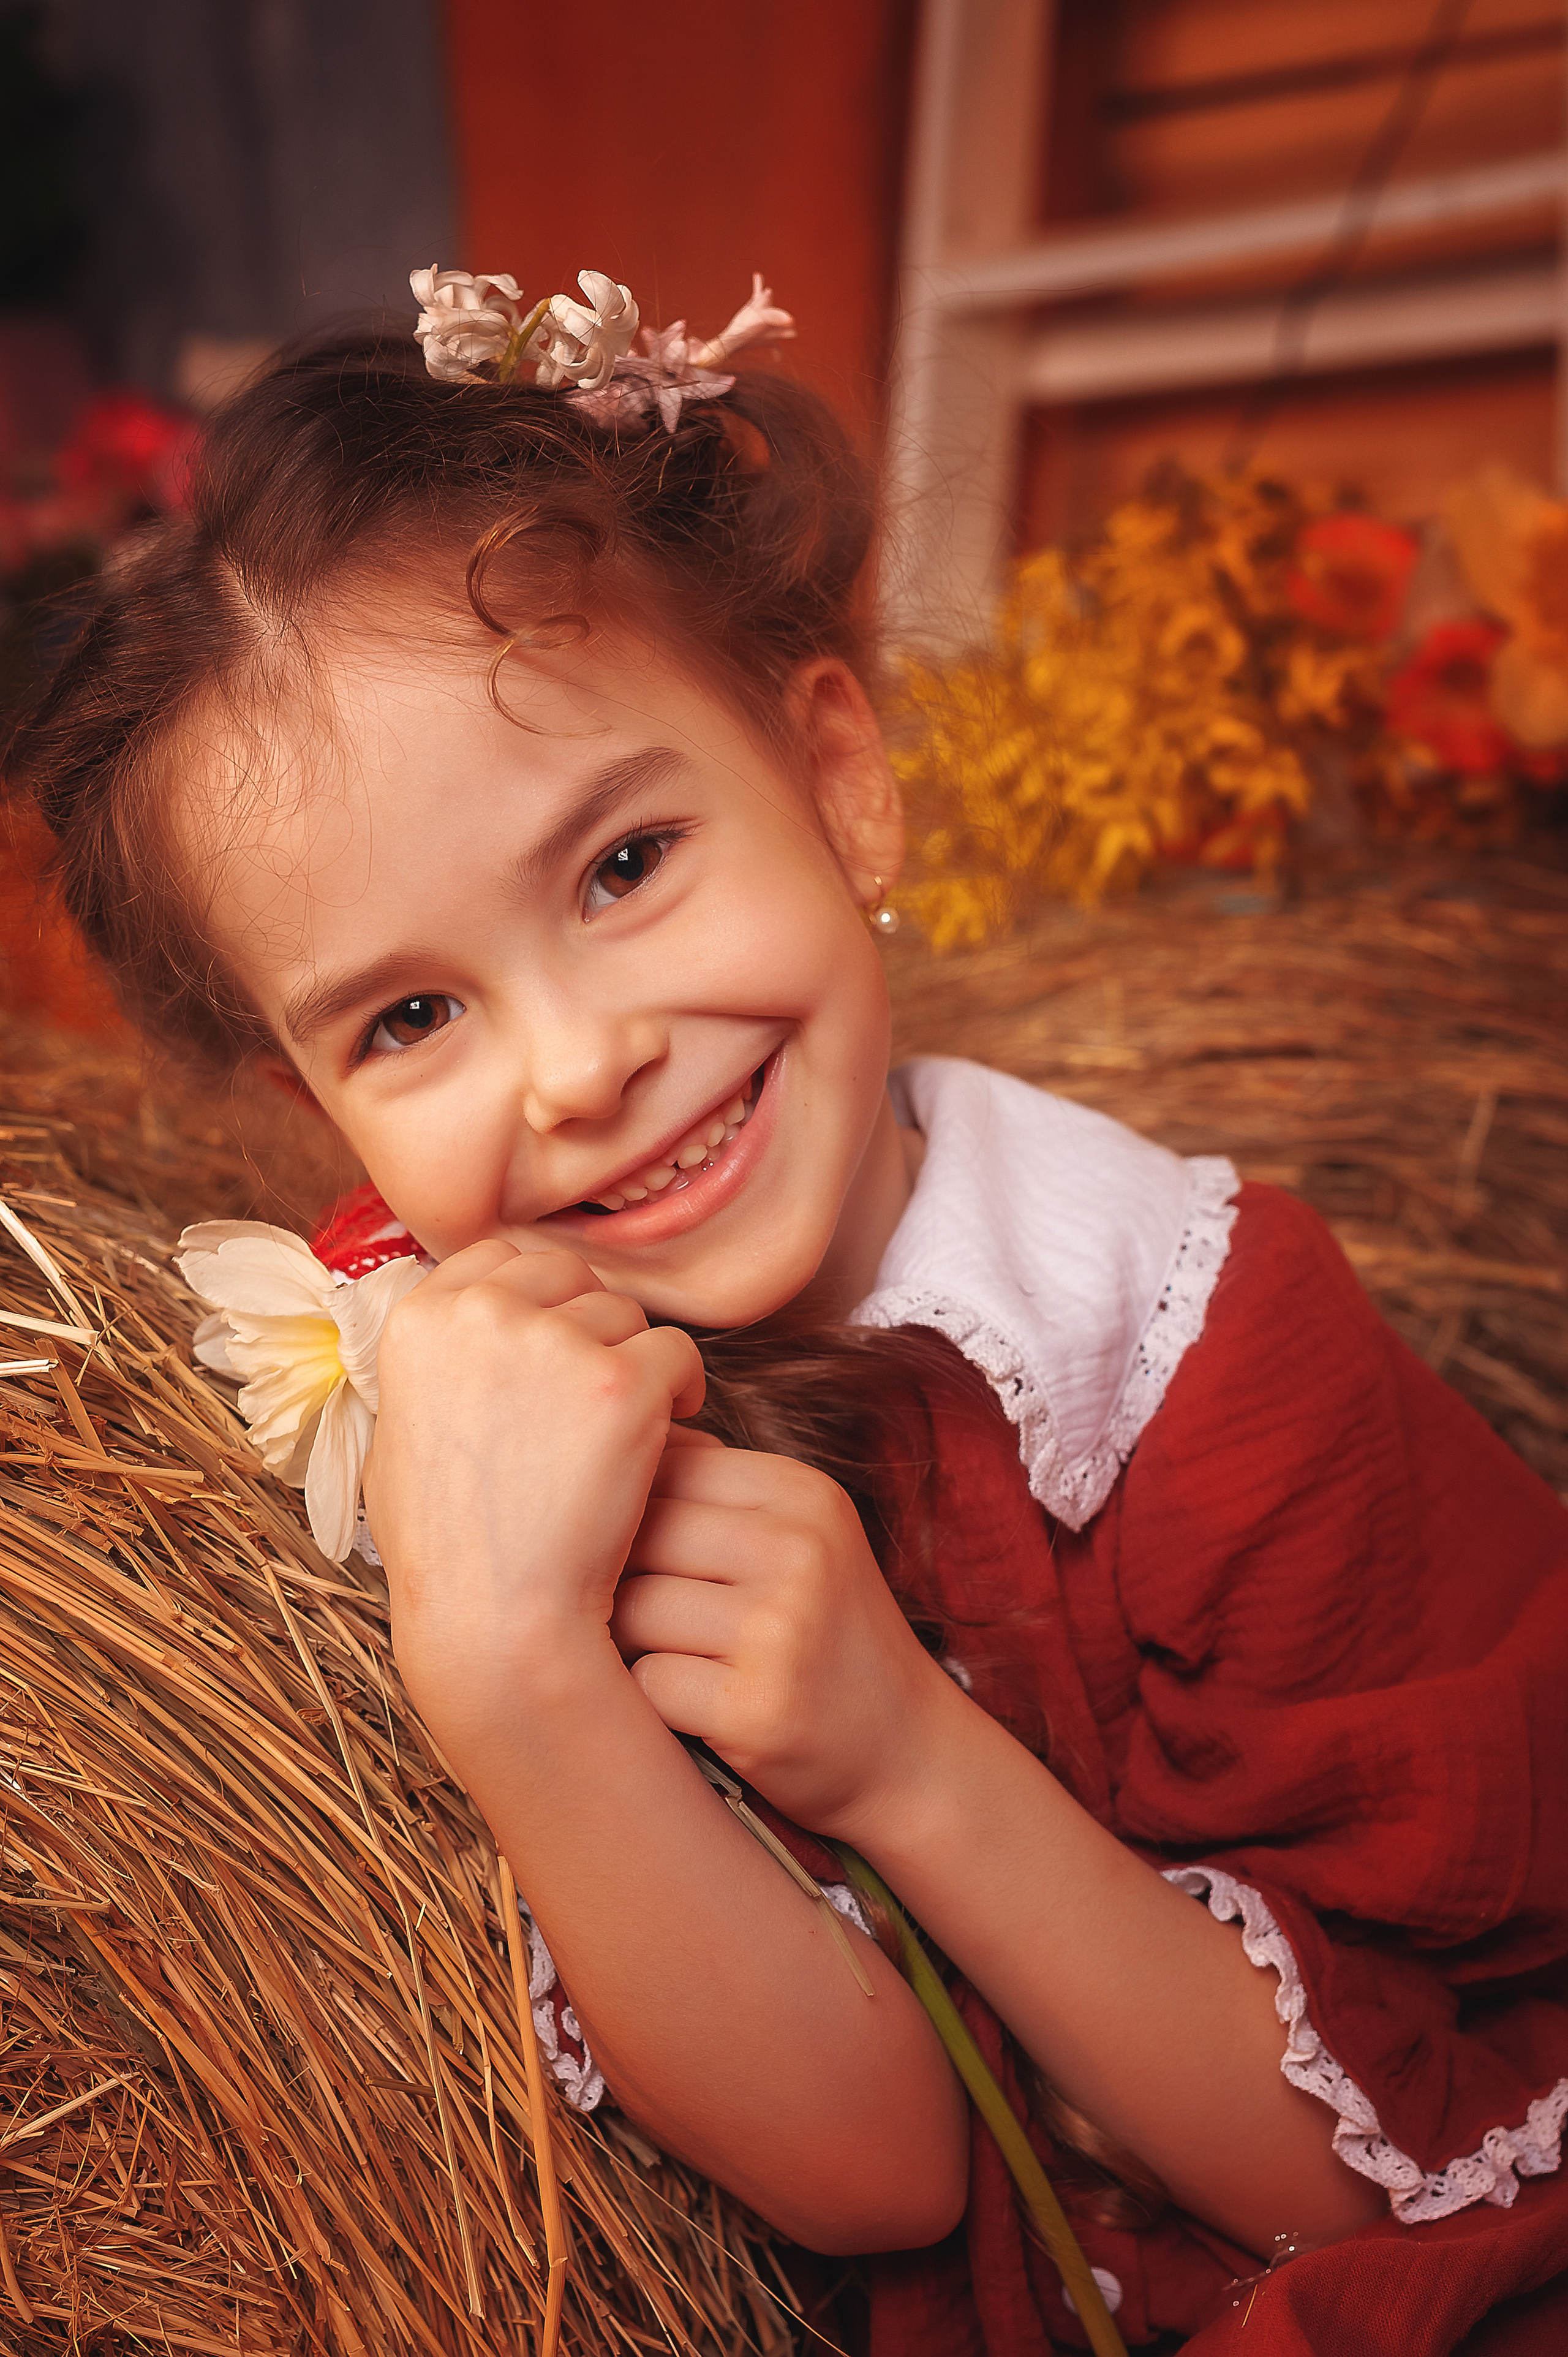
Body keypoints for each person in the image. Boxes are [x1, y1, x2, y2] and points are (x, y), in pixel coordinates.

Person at [6, 271, 1567, 2356]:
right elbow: (881, 2179)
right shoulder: (483, 1438)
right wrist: (510, 1678)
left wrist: (905, 1756)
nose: (573, 1068)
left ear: (840, 783)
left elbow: (1343, 2186)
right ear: (321, 1108)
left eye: (628, 860)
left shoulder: (1196, 1348)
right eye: (408, 1016)